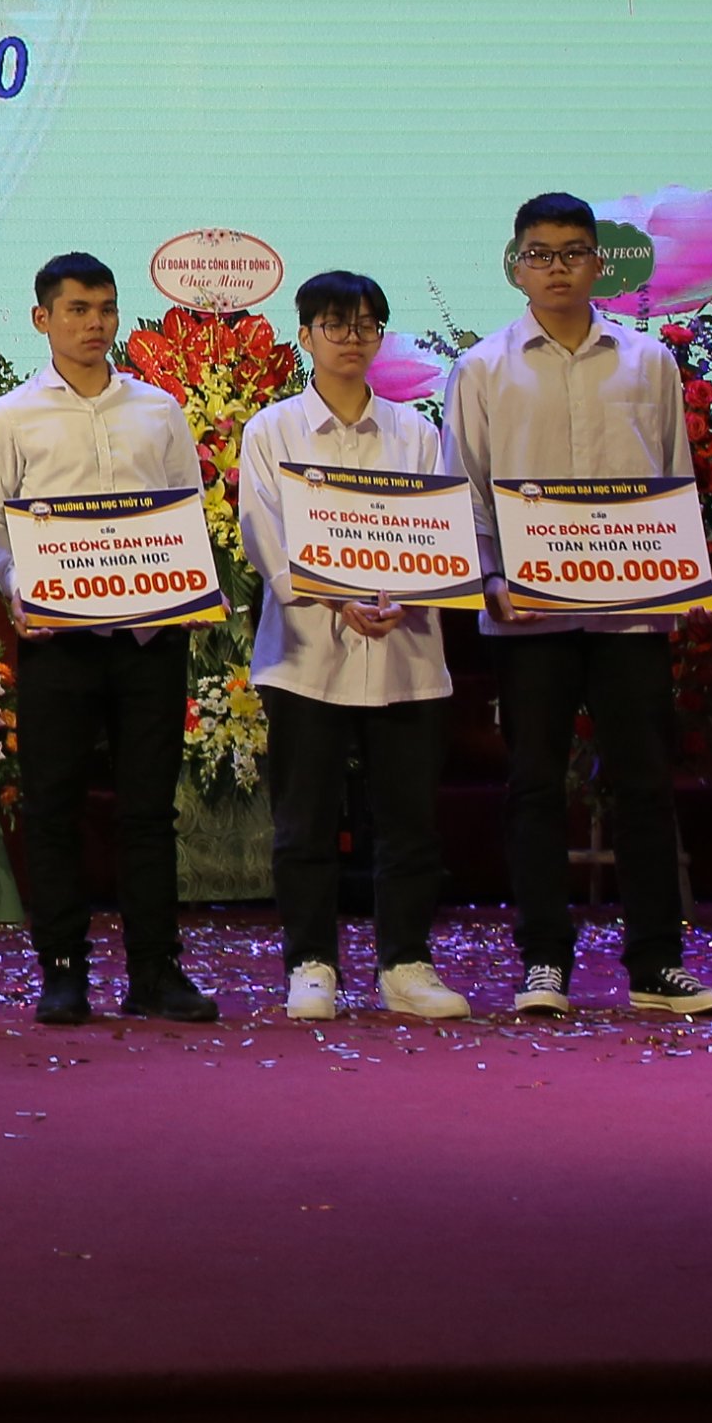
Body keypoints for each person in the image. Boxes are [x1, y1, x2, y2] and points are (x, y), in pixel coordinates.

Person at [452, 193, 712, 1020]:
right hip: (527, 613)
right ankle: (543, 961)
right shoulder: (482, 368)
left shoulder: (647, 362)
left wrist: (692, 574)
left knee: (643, 783)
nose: (556, 269)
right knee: (534, 787)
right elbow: (465, 488)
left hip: (630, 610)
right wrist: (489, 579)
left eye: (572, 252)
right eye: (539, 254)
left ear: (597, 264)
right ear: (515, 265)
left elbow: (672, 477)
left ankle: (655, 963)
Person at [0, 251, 218, 1026]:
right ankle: (63, 969)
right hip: (57, 642)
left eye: (105, 308)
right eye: (77, 309)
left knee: (148, 812)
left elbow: (184, 507)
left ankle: (154, 971)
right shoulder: (12, 415)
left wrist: (181, 585)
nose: (94, 324)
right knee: (53, 808)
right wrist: (21, 589)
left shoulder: (157, 408)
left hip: (148, 638)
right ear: (41, 318)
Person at [234, 272, 469, 1023]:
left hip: (405, 652)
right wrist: (335, 597)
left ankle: (405, 964)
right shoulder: (272, 430)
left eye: (367, 325)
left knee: (408, 823)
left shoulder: (416, 433)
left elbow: (437, 534)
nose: (351, 339)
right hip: (308, 654)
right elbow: (262, 532)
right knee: (304, 822)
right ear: (305, 335)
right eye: (335, 325)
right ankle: (311, 963)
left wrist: (410, 594)